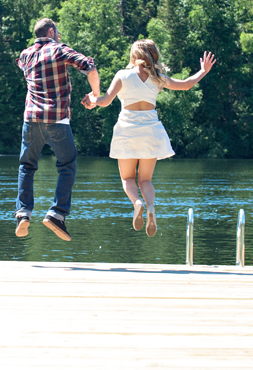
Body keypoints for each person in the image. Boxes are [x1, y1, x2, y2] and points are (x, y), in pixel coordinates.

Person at [83, 40, 215, 237]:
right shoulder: (157, 77)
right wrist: (203, 71)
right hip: (150, 131)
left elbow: (104, 101)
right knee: (146, 180)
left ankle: (137, 203)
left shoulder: (123, 75)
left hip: (127, 130)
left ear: (134, 56)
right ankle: (150, 206)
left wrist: (92, 100)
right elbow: (186, 85)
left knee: (127, 178)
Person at [14, 18, 101, 241]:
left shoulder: (26, 54)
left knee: (27, 165)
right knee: (67, 164)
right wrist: (95, 95)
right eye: (57, 33)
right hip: (57, 120)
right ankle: (57, 213)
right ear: (52, 31)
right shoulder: (59, 50)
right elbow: (89, 66)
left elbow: (21, 64)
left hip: (30, 120)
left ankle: (23, 213)